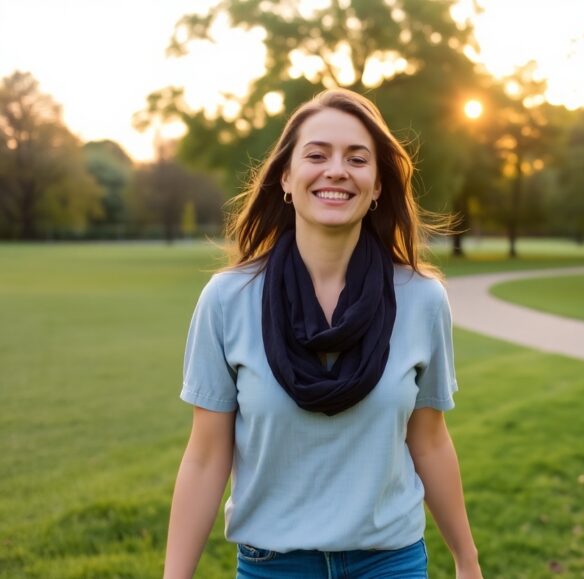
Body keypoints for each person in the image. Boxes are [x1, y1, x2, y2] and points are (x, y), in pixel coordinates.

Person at [163, 88, 482, 579]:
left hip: (390, 563)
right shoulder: (227, 300)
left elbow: (430, 441)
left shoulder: (422, 300)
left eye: (357, 158)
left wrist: (467, 561)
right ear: (286, 178)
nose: (336, 170)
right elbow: (206, 457)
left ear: (377, 186)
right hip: (274, 567)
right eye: (316, 155)